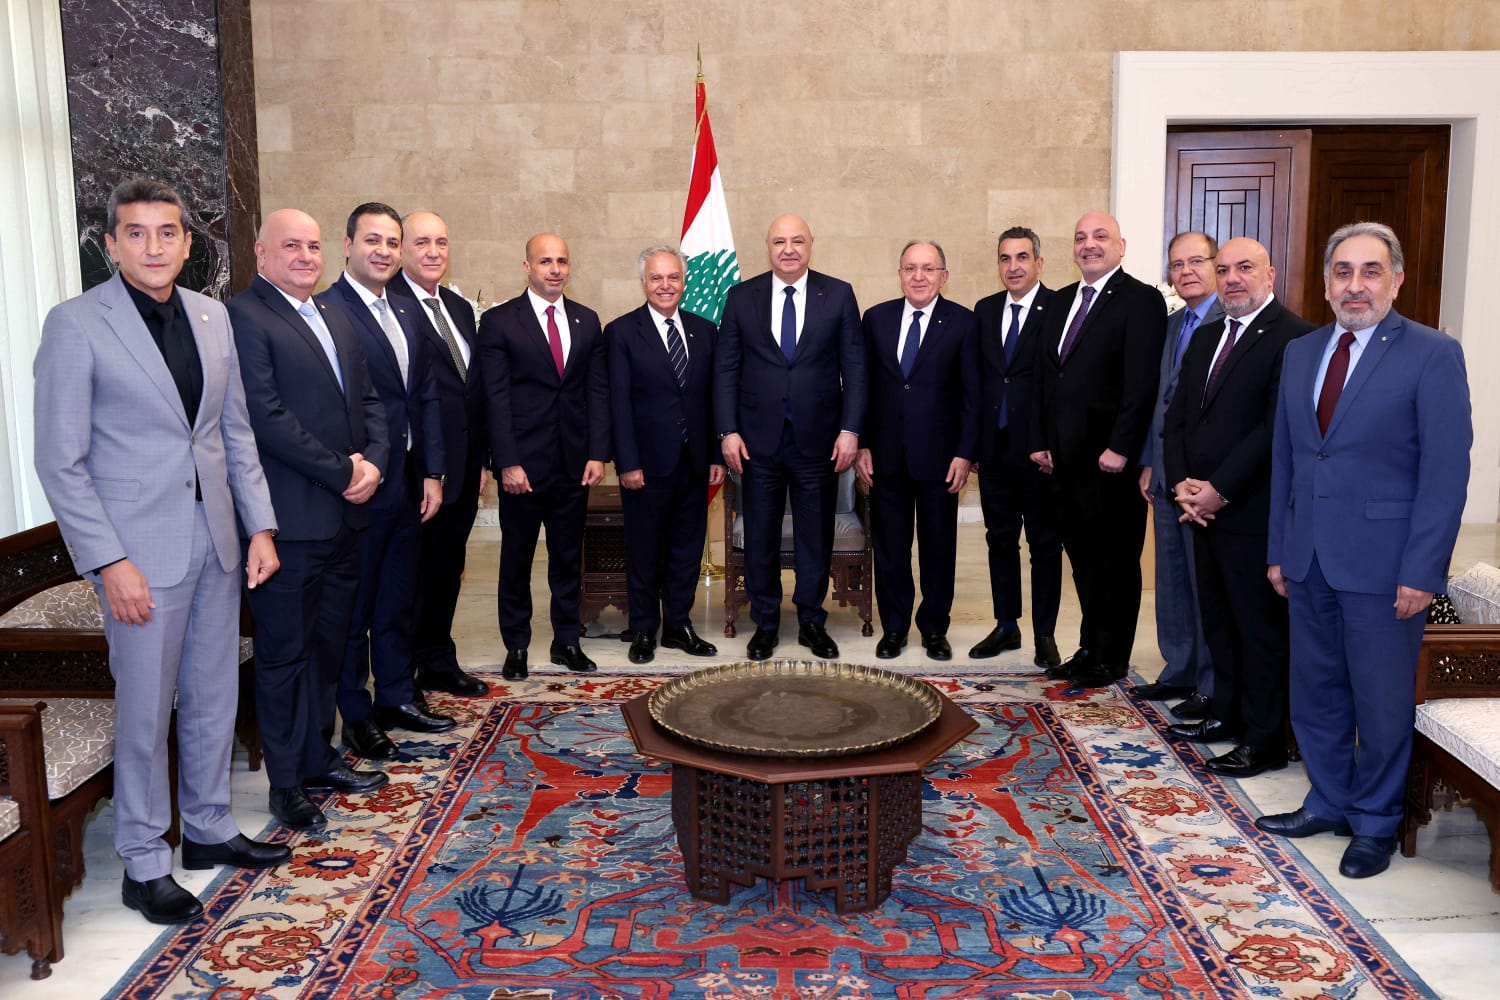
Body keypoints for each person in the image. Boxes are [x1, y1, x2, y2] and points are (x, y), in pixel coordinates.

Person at [33, 178, 289, 924]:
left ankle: (207, 828)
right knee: (146, 711)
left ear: (186, 242)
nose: (154, 247)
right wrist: (109, 562)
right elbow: (60, 462)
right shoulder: (76, 324)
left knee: (213, 695)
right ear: (111, 244)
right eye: (137, 233)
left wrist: (260, 527)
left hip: (217, 542)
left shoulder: (213, 316)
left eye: (168, 232)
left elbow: (232, 432)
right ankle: (144, 861)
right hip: (137, 554)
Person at [1258, 222, 1471, 879]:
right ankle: (1328, 801)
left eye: (1370, 271)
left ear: (1396, 280)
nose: (1356, 285)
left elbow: (1445, 474)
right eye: (1343, 272)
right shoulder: (1302, 352)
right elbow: (1289, 459)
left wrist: (1423, 570)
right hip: (1308, 558)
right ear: (1326, 284)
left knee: (1380, 702)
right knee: (1316, 691)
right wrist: (1279, 549)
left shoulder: (1433, 354)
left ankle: (1375, 822)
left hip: (1386, 566)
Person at [229, 208, 391, 831]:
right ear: (261, 252)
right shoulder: (246, 317)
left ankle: (319, 757)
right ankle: (286, 782)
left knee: (330, 647)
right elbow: (265, 417)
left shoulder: (333, 314)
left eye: (313, 246)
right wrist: (342, 471)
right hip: (289, 524)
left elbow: (369, 401)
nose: (304, 256)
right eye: (291, 246)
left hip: (345, 520)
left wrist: (375, 462)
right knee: (285, 656)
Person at [1162, 237, 1316, 777]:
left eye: (1244, 268)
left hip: (1252, 511)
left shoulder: (1295, 338)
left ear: (1269, 275)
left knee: (1259, 631)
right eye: (1224, 269)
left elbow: (1273, 429)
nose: (1232, 279)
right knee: (1220, 621)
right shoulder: (1207, 336)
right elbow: (1178, 417)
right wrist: (1182, 484)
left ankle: (1264, 739)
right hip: (1201, 511)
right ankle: (1226, 713)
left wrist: (1219, 489)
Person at [320, 203, 453, 761]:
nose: (384, 251)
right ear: (347, 244)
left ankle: (397, 695)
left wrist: (433, 471)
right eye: (372, 240)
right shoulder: (327, 310)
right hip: (359, 483)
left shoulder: (405, 309)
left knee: (399, 597)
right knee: (357, 606)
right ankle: (356, 714)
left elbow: (424, 396)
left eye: (392, 242)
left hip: (406, 482)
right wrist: (358, 466)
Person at [715, 214, 867, 661]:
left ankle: (811, 621)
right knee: (760, 534)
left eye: (797, 241)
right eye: (779, 241)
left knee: (814, 536)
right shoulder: (741, 297)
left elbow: (855, 369)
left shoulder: (837, 294)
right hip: (756, 442)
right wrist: (727, 431)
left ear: (810, 244)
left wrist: (850, 430)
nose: (788, 249)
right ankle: (765, 623)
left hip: (819, 441)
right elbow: (726, 369)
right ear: (768, 246)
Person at [1030, 210, 1166, 688]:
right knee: (1083, 562)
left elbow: (1141, 382)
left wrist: (1122, 446)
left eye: (1100, 236)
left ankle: (1113, 658)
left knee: (1116, 563)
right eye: (1081, 237)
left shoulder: (1141, 300)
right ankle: (1089, 648)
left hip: (1110, 462)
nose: (1089, 244)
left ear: (1120, 246)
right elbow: (1046, 376)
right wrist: (1040, 441)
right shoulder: (1060, 301)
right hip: (1064, 462)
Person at [478, 233, 610, 679]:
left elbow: (596, 392)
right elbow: (495, 399)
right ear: (527, 267)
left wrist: (598, 452)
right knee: (516, 559)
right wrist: (506, 461)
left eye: (562, 261)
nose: (555, 269)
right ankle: (516, 646)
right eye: (545, 261)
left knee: (567, 558)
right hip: (523, 467)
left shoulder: (587, 321)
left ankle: (567, 641)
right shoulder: (499, 322)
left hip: (573, 463)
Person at [855, 240, 978, 661]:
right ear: (900, 274)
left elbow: (973, 395)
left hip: (941, 459)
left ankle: (934, 629)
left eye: (928, 268)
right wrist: (862, 443)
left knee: (938, 549)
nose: (919, 276)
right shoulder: (876, 319)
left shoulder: (963, 322)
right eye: (911, 268)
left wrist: (965, 452)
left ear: (944, 275)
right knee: (890, 549)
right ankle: (894, 628)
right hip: (885, 456)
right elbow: (863, 387)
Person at [605, 246, 725, 664]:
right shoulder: (621, 332)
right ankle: (643, 628)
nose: (665, 285)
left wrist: (716, 455)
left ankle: (678, 626)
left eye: (673, 277)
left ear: (684, 281)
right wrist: (627, 462)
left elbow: (713, 399)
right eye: (656, 278)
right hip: (645, 465)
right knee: (643, 550)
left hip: (694, 462)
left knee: (686, 550)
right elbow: (617, 403)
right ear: (643, 283)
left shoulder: (705, 331)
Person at [389, 210, 490, 697]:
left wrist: (481, 458)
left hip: (463, 463)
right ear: (401, 249)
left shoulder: (457, 306)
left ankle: (437, 659)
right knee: (412, 574)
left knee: (448, 566)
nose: (433, 252)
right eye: (422, 242)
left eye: (442, 242)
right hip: (417, 468)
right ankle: (401, 672)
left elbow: (472, 390)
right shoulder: (390, 303)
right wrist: (430, 466)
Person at [1132, 232, 1222, 716]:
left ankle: (1209, 681)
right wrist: (1150, 460)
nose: (1186, 271)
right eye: (1177, 264)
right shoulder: (1172, 324)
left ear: (1216, 265)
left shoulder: (1228, 321)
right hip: (1165, 474)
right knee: (1170, 578)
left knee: (1203, 581)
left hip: (1202, 481)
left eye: (1196, 261)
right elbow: (1159, 402)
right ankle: (1178, 669)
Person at [970, 227, 1063, 668]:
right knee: (1000, 540)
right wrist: (973, 445)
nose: (1014, 267)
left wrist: (1052, 442)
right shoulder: (985, 310)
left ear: (1039, 263)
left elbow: (1062, 383)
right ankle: (1006, 625)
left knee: (1044, 544)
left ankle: (1045, 633)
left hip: (1039, 452)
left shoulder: (1059, 308)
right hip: (994, 449)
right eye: (1005, 258)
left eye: (1022, 257)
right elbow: (978, 381)